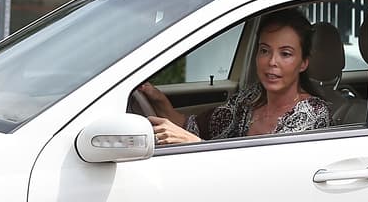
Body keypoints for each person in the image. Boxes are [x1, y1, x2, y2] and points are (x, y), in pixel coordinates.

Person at [136, 8, 332, 146]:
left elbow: (267, 172)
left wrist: (195, 145)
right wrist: (157, 99)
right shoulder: (251, 98)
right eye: (264, 50)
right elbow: (192, 127)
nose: (272, 61)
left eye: (285, 54)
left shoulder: (312, 113)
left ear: (303, 63)